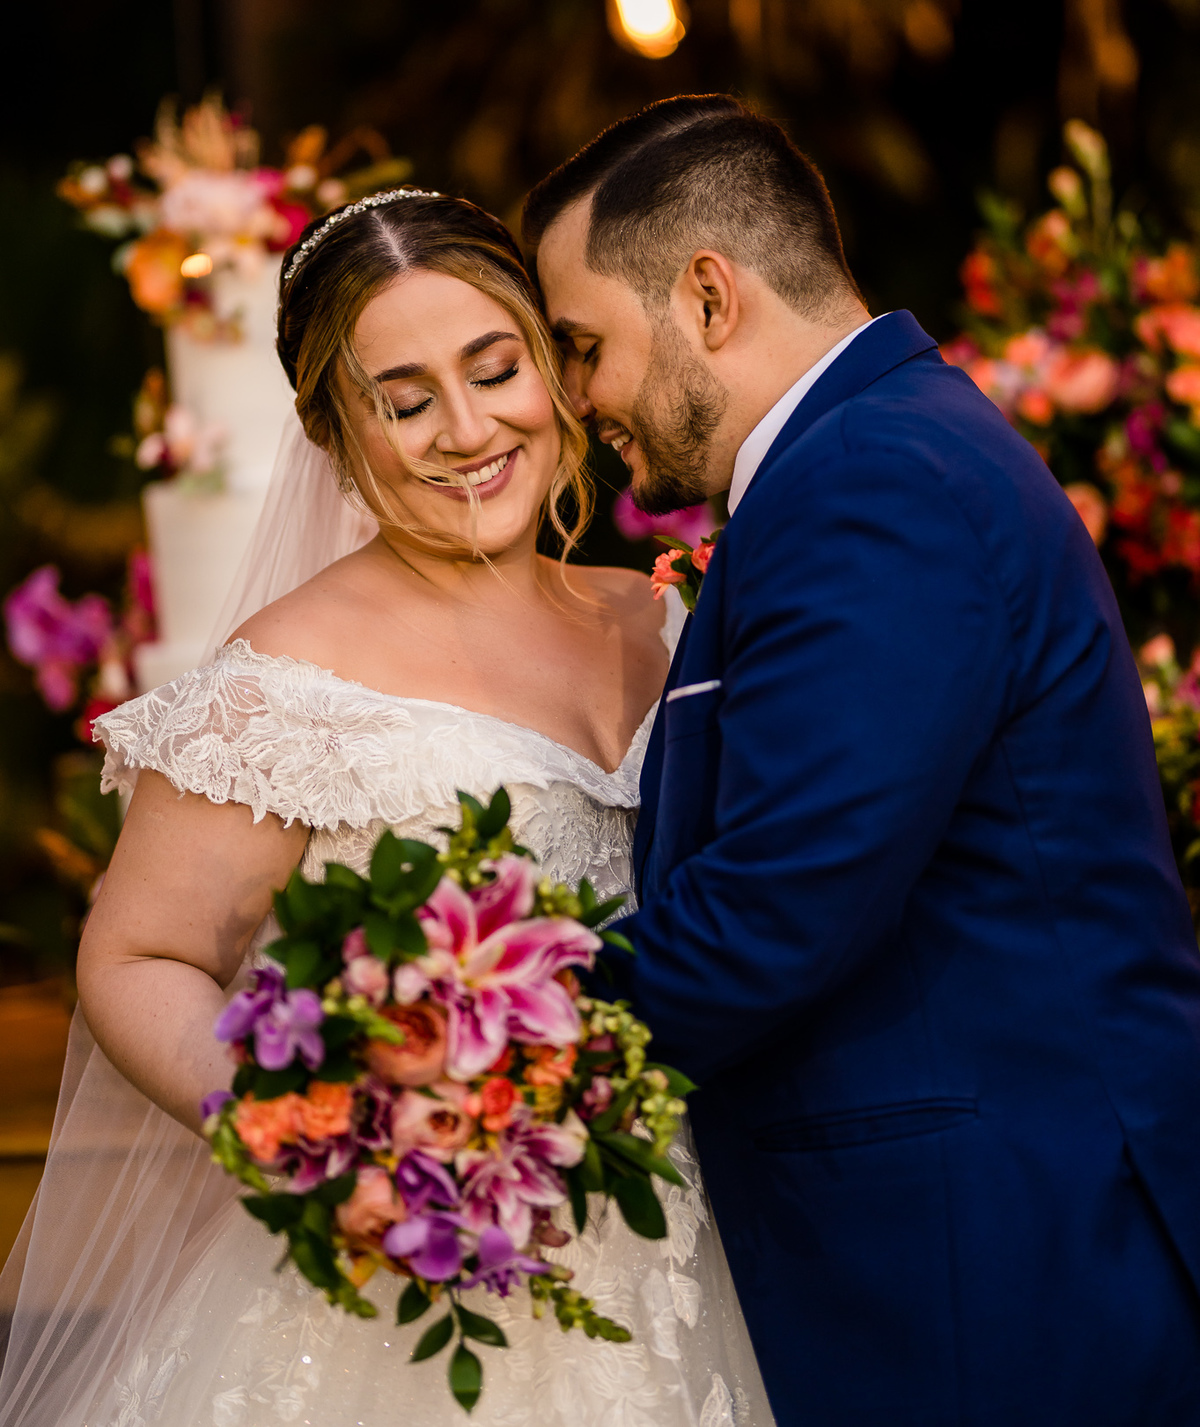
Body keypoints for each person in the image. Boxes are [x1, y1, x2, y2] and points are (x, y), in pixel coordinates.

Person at [0, 190, 772, 1427]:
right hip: (410, 1304)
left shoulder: (664, 618)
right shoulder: (284, 680)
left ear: (555, 364)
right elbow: (138, 955)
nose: (468, 430)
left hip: (699, 1246)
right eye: (406, 402)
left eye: (497, 368)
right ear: (337, 433)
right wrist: (317, 1140)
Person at [529, 94, 1200, 1427]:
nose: (577, 395)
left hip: (995, 1262)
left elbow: (778, 901)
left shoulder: (872, 480)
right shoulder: (875, 451)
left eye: (583, 343)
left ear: (708, 295)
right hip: (977, 1234)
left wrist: (485, 1033)